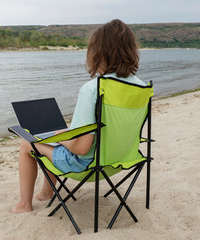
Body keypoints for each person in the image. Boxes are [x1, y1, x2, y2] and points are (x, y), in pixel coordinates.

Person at [12, 19, 146, 213]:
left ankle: (24, 205)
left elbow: (81, 149)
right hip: (122, 159)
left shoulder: (93, 89)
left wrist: (63, 138)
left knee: (28, 144)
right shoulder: (141, 87)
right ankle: (46, 192)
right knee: (54, 140)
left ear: (99, 53)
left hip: (87, 164)